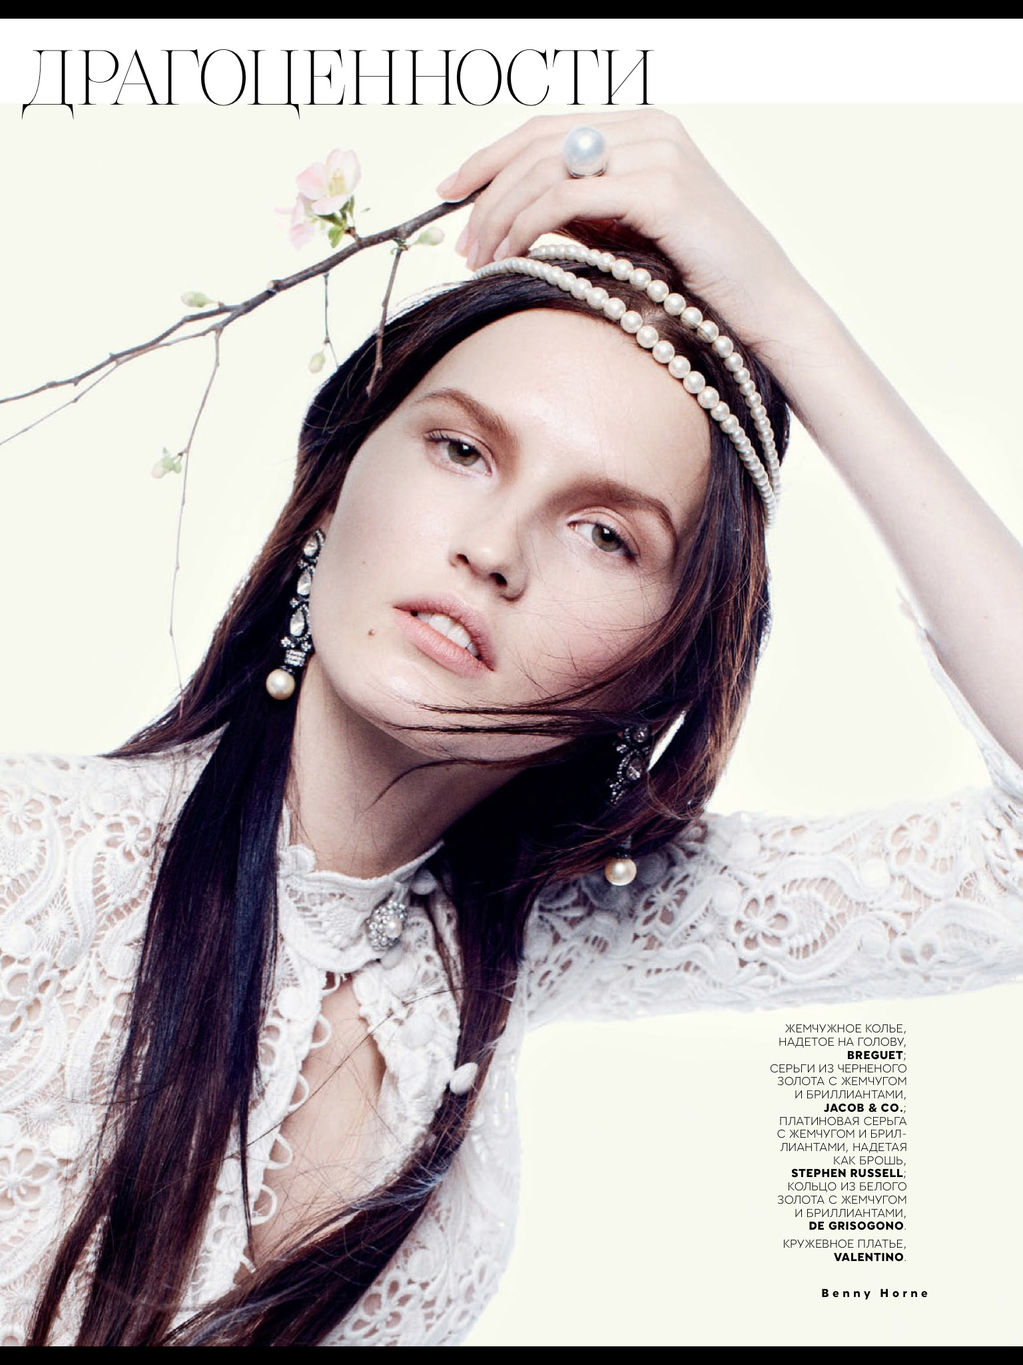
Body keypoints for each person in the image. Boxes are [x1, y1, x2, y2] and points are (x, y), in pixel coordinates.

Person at [1, 110, 1021, 1347]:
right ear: (332, 485)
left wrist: (790, 318)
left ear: (661, 665)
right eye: (461, 449)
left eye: (605, 534)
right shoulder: (33, 853)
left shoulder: (553, 928)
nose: (493, 549)